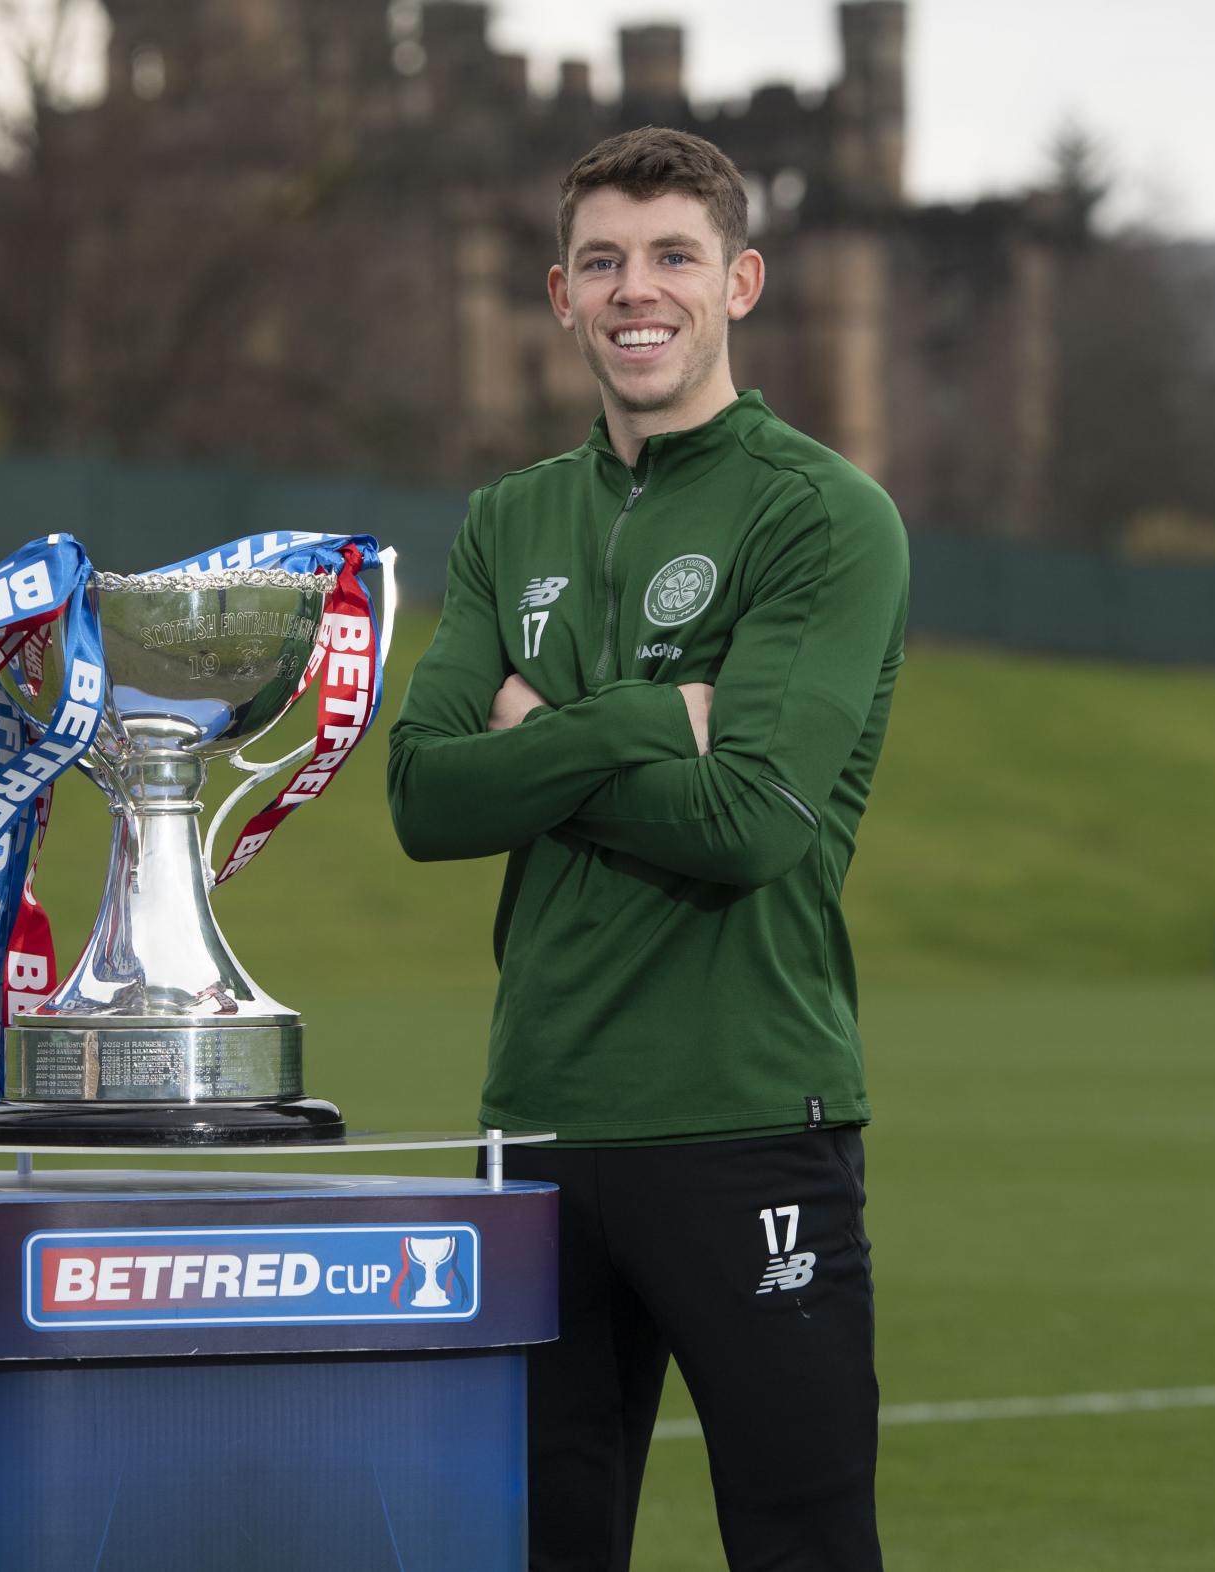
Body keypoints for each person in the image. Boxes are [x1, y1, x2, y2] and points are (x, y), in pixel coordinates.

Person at [384, 126, 908, 1572]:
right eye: (603, 260)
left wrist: (537, 737)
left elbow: (746, 828)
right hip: (534, 1133)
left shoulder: (825, 516)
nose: (639, 290)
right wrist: (638, 723)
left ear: (738, 282)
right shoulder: (510, 522)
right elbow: (426, 798)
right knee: (537, 1552)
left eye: (674, 256)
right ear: (559, 294)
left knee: (803, 1546)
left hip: (745, 1125)